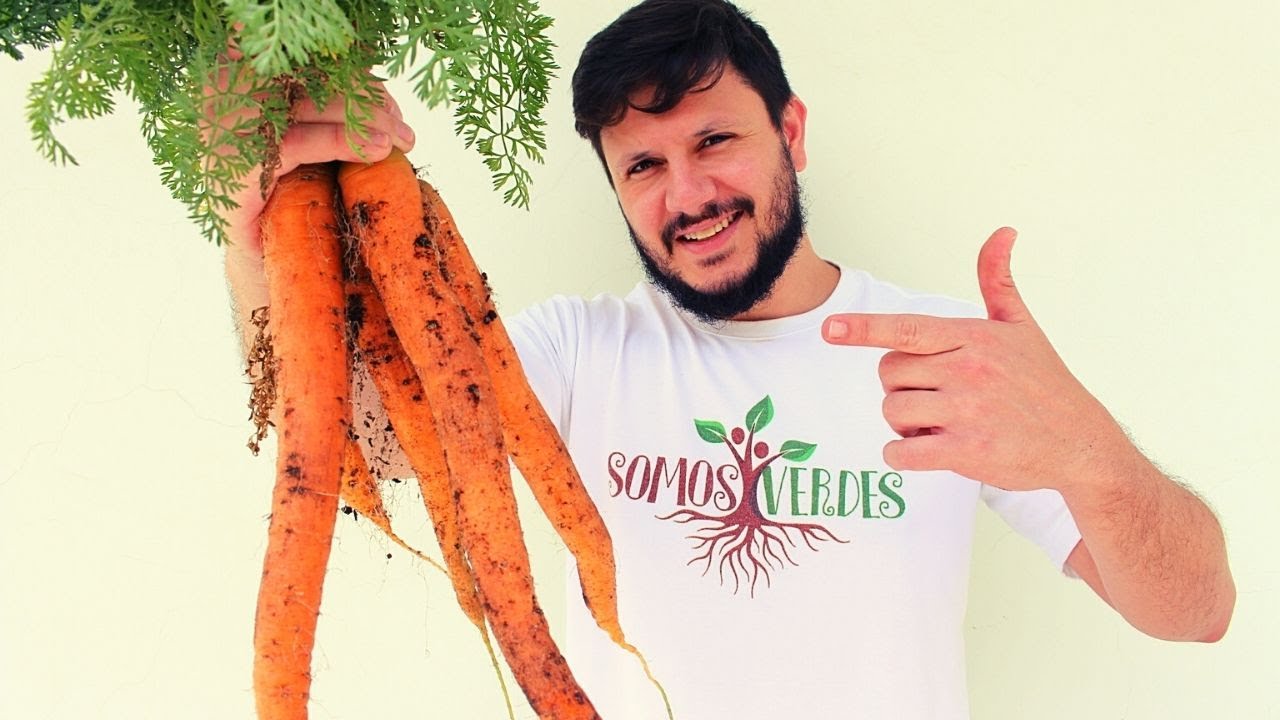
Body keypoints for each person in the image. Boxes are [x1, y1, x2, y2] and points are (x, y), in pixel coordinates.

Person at [223, 1, 1235, 717]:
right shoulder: (574, 351)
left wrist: (1090, 456)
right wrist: (252, 229)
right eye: (645, 165)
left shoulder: (943, 355)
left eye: (715, 142)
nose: (688, 193)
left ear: (790, 132)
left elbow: (1195, 613)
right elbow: (363, 446)